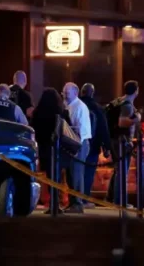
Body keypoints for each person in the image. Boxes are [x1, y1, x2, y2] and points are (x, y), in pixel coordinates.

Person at [106, 80, 140, 206]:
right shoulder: (127, 105)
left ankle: (111, 198)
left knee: (118, 170)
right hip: (122, 141)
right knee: (122, 171)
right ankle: (120, 201)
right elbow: (122, 122)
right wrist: (136, 119)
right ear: (136, 91)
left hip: (114, 138)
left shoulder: (118, 101)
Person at [31, 88, 65, 210]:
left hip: (43, 148)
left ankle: (52, 203)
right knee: (57, 176)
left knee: (49, 176)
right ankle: (57, 203)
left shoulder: (37, 112)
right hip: (57, 148)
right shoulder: (60, 112)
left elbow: (33, 129)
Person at [61, 83, 92, 213]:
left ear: (75, 93)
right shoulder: (67, 105)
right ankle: (73, 202)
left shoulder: (79, 107)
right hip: (72, 143)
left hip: (79, 143)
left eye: (67, 92)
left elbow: (80, 129)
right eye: (63, 92)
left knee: (76, 173)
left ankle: (78, 204)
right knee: (70, 174)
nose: (64, 95)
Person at [79, 83, 111, 200]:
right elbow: (103, 128)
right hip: (93, 145)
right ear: (92, 93)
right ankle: (84, 198)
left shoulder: (76, 105)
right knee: (89, 173)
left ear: (81, 92)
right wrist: (107, 147)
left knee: (77, 172)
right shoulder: (97, 108)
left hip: (76, 146)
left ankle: (76, 198)